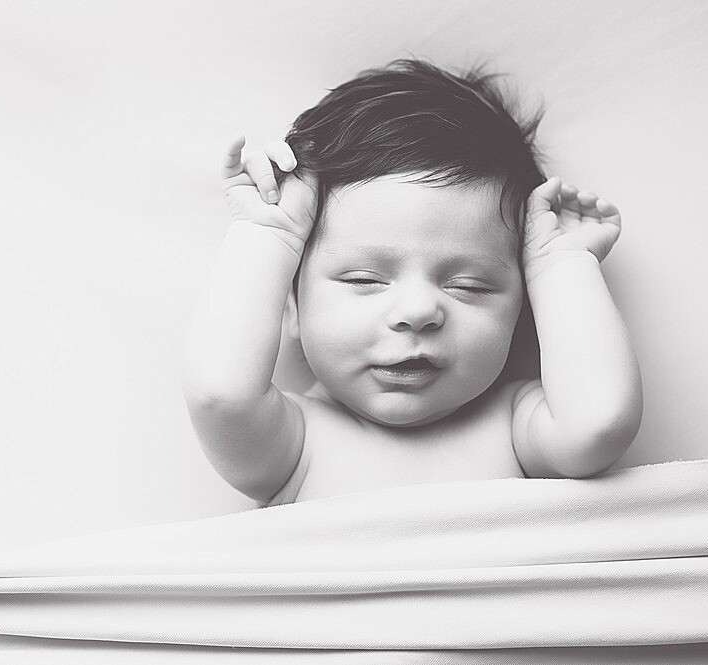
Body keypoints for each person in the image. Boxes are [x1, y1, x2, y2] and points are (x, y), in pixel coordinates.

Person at [182, 59, 643, 507]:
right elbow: (221, 395)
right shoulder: (293, 443)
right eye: (365, 279)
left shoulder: (516, 427)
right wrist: (268, 233)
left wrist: (560, 265)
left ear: (523, 311)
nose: (420, 310)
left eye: (470, 287)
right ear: (291, 309)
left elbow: (599, 425)